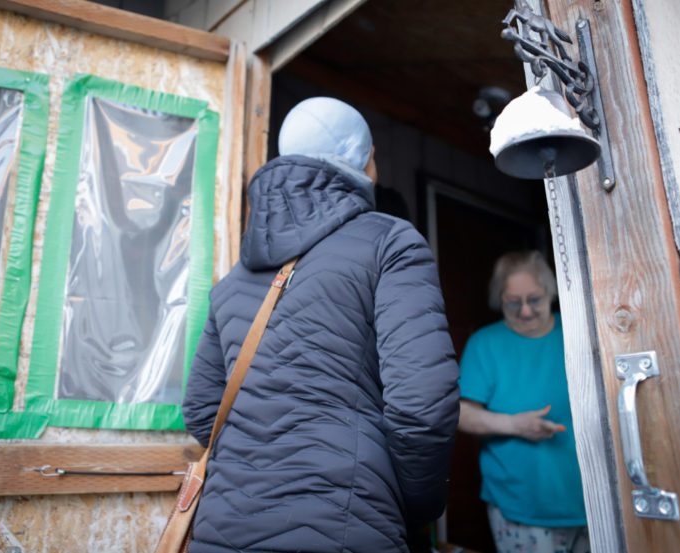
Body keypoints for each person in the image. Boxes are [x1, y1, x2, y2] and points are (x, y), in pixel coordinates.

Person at [182, 97, 461, 553]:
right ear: (364, 158)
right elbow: (421, 408)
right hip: (346, 529)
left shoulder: (232, 281)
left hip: (222, 531)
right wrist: (415, 507)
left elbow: (200, 407)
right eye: (374, 154)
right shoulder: (390, 243)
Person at [457, 250, 588, 553]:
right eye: (513, 302)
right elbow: (461, 413)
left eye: (535, 300)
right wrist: (515, 425)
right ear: (499, 299)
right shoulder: (485, 344)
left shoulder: (579, 333)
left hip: (593, 500)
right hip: (519, 505)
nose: (525, 311)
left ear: (551, 293)